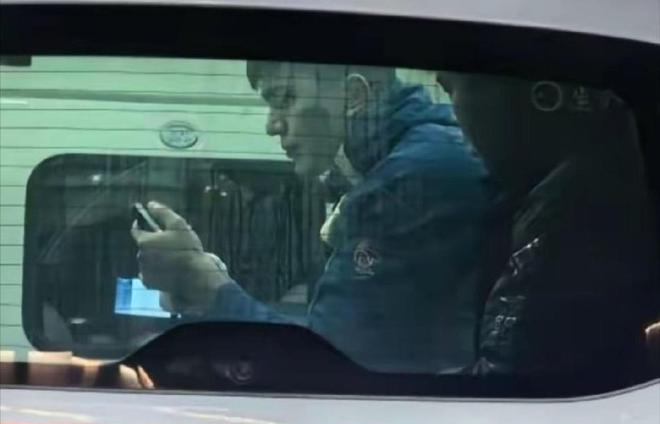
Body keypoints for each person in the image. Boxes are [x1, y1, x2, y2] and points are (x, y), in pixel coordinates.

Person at [132, 62, 501, 373]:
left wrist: (206, 286)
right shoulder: (412, 160)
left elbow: (324, 362)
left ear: (354, 97)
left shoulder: (409, 180)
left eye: (285, 99)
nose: (272, 125)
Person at [437, 72, 660, 377]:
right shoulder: (604, 172)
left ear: (540, 96)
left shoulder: (573, 210)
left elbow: (516, 375)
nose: (455, 117)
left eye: (452, 90)